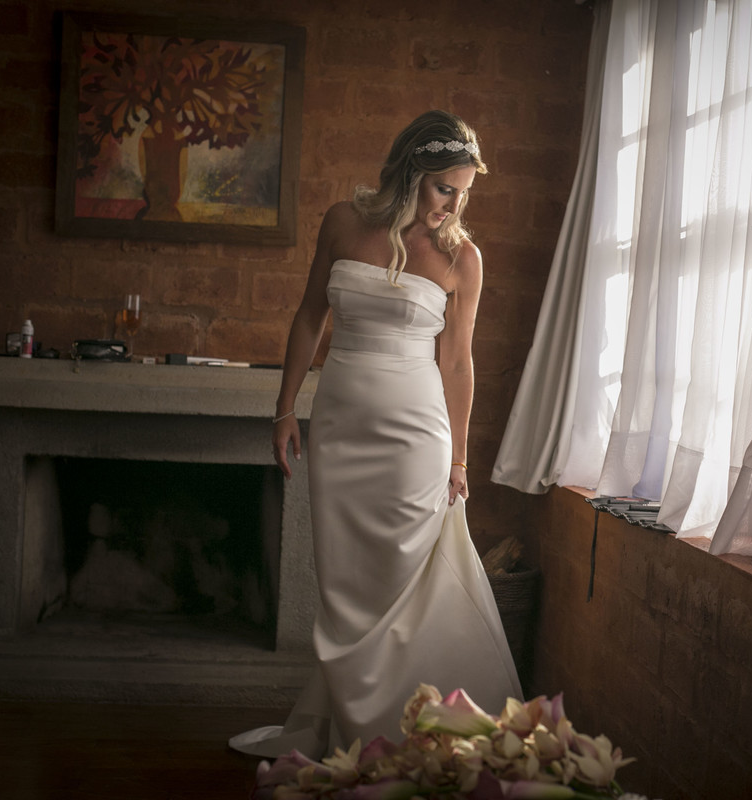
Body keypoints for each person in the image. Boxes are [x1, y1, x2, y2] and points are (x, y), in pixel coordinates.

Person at [229, 110, 522, 759]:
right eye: (445, 187)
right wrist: (284, 410)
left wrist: (461, 459)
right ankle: (351, 726)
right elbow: (310, 317)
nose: (453, 204)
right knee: (344, 586)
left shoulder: (461, 259)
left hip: (417, 439)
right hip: (338, 429)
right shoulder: (342, 221)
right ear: (412, 171)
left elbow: (458, 362)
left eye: (464, 192)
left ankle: (399, 728)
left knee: (399, 582)